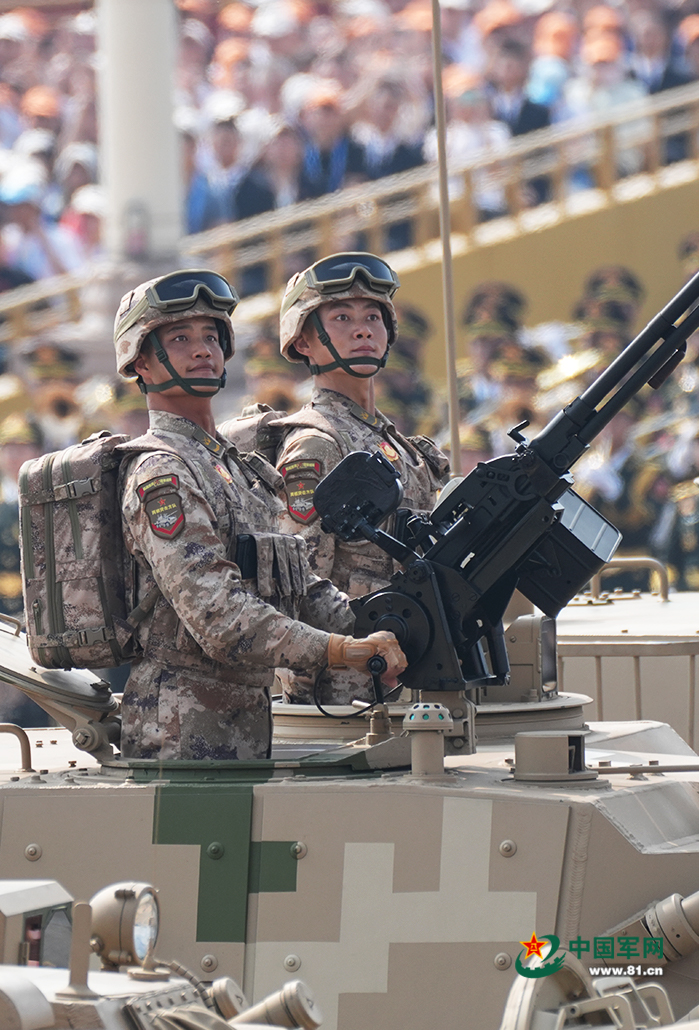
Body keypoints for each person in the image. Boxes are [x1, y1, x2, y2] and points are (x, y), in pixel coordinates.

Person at [114, 268, 406, 760]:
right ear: (141, 361)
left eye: (211, 337)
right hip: (179, 732)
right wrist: (337, 650)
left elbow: (298, 584)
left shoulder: (236, 466)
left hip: (243, 722)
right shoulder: (161, 472)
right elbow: (219, 616)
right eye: (181, 339)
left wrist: (377, 625)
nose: (202, 350)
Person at [259, 253, 448, 704]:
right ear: (304, 341)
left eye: (372, 317)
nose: (362, 330)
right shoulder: (316, 444)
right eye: (342, 318)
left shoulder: (396, 444)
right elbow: (300, 581)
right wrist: (358, 647)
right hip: (347, 690)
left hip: (410, 669)